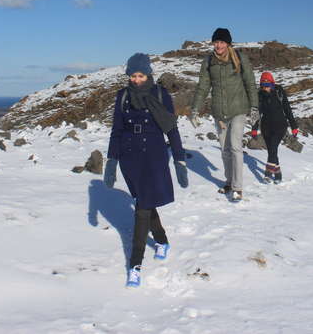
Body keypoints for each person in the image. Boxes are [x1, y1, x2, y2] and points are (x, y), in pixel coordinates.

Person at [104, 53, 188, 288]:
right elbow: (116, 131)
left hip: (154, 155)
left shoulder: (160, 95)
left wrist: (179, 160)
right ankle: (162, 240)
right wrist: (111, 161)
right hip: (130, 158)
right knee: (145, 202)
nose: (136, 80)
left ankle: (135, 265)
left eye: (140, 75)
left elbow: (171, 129)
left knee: (142, 209)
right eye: (133, 75)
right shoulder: (123, 97)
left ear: (148, 74)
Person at [190, 28, 258, 202]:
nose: (218, 45)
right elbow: (203, 86)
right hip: (219, 112)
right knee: (225, 149)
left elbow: (250, 83)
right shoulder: (208, 62)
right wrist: (195, 109)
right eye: (216, 42)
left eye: (222, 42)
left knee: (235, 146)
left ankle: (237, 187)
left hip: (238, 109)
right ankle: (228, 181)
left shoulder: (240, 59)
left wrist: (254, 107)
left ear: (228, 43)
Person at [251, 71, 298, 184]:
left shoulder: (279, 92)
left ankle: (267, 174)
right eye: (263, 85)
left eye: (267, 85)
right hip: (266, 127)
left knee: (273, 148)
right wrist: (254, 128)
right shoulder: (259, 95)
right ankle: (278, 174)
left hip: (280, 126)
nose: (265, 88)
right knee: (272, 152)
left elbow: (287, 109)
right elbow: (256, 113)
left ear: (272, 83)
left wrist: (294, 126)